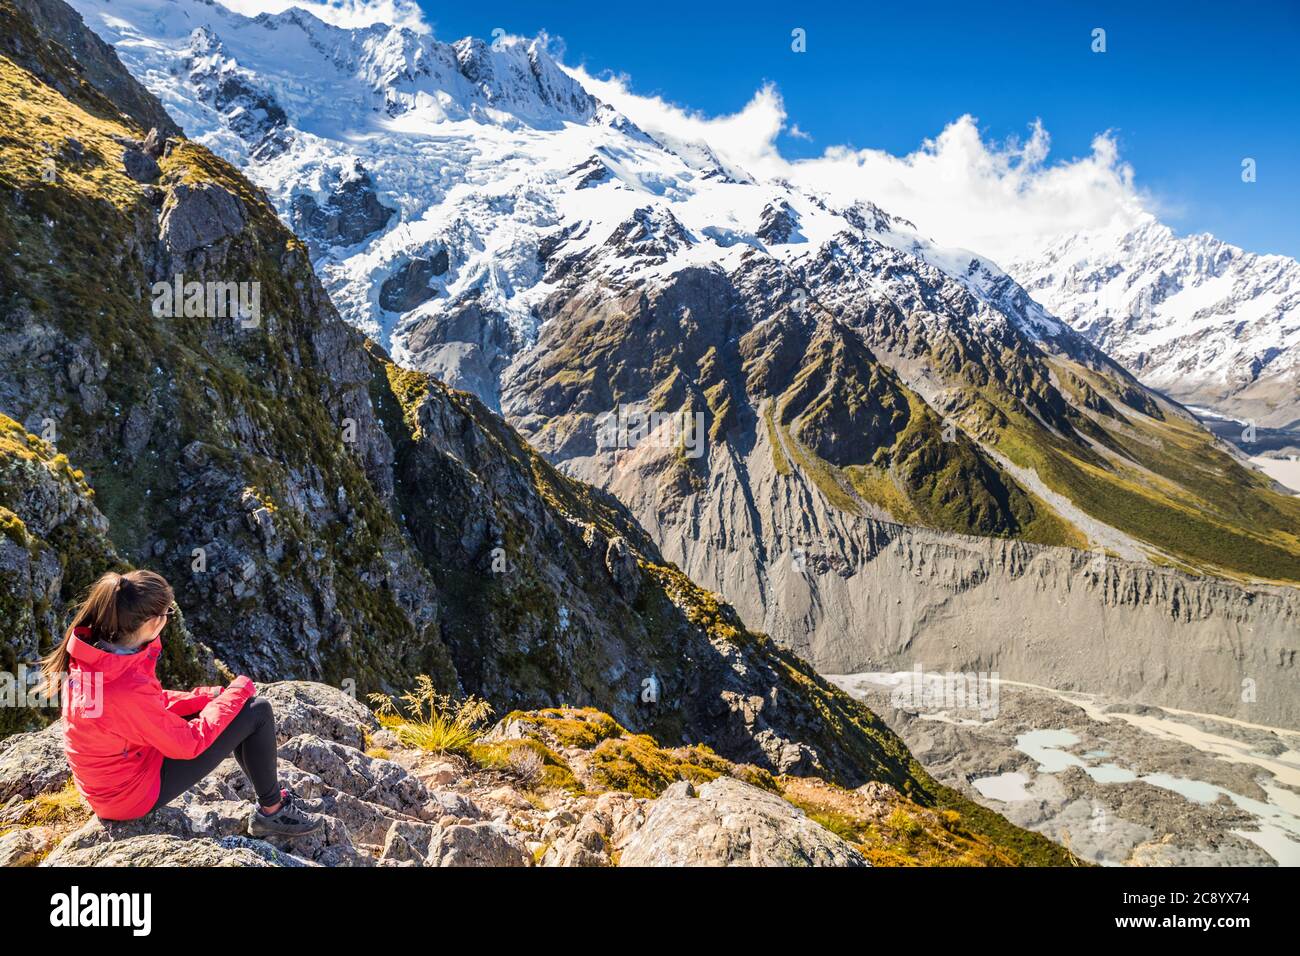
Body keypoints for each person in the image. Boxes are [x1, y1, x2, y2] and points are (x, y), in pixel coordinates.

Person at [41, 569, 323, 837]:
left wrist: (207, 697)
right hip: (128, 796)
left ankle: (271, 799)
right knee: (256, 711)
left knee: (233, 710)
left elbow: (150, 707)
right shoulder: (122, 685)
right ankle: (273, 811)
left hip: (112, 779)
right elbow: (188, 744)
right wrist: (236, 691)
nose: (167, 619)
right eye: (168, 613)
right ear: (153, 622)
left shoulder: (99, 656)